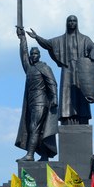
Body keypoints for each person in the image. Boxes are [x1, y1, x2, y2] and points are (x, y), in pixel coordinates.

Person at [14, 27, 58, 161]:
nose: (33, 56)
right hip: (31, 102)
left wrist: (55, 97)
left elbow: (52, 83)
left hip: (41, 102)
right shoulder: (30, 68)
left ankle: (30, 155)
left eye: (35, 54)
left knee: (34, 127)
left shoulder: (44, 67)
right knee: (36, 129)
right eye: (32, 54)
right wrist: (22, 39)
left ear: (39, 55)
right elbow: (23, 55)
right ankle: (44, 155)